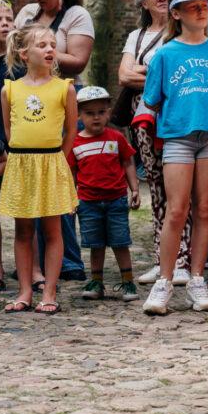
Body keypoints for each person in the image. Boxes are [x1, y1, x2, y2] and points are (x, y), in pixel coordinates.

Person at [141, 0, 208, 316]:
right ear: (176, 14)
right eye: (192, 7)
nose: (201, 11)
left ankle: (197, 278)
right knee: (176, 210)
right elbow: (151, 100)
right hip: (177, 137)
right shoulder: (165, 55)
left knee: (205, 208)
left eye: (205, 6)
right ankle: (164, 282)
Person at [15, 0, 93, 282]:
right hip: (27, 101)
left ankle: (68, 260)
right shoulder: (26, 12)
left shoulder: (77, 16)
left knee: (58, 179)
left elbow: (77, 62)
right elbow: (11, 51)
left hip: (62, 101)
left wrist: (40, 49)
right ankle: (33, 263)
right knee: (31, 181)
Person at [0, 24, 78, 315]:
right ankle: (24, 291)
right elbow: (10, 132)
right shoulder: (10, 90)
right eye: (42, 45)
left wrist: (57, 161)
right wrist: (24, 158)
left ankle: (50, 291)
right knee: (22, 231)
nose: (50, 50)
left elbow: (71, 131)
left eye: (52, 45)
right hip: (21, 165)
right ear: (23, 53)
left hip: (51, 163)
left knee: (52, 230)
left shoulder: (64, 88)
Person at [119, 0, 191, 286]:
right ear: (145, 3)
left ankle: (184, 260)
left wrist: (146, 71)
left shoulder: (183, 34)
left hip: (177, 119)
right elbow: (124, 76)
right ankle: (163, 259)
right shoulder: (135, 37)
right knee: (157, 187)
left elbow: (178, 75)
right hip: (143, 121)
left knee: (180, 189)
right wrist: (158, 74)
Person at [69, 86, 141, 302]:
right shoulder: (75, 143)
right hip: (88, 203)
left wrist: (135, 189)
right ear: (79, 115)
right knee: (95, 245)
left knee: (120, 242)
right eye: (90, 113)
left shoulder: (116, 138)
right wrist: (71, 199)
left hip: (116, 200)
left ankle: (128, 282)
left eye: (101, 111)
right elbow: (71, 173)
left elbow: (128, 163)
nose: (96, 117)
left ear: (109, 113)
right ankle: (96, 282)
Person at [0, 0, 14, 293]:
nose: (5, 24)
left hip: (18, 145)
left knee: (26, 211)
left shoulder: (19, 62)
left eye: (9, 18)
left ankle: (32, 268)